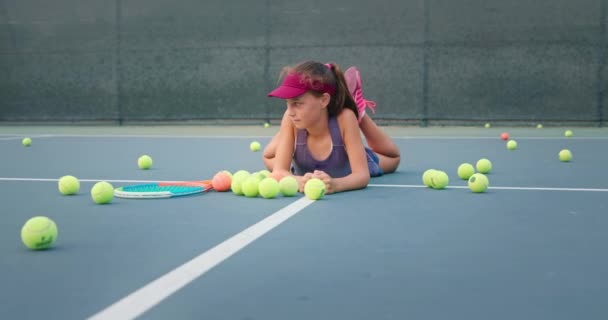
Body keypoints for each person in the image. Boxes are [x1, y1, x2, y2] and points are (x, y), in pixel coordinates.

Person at [263, 60, 400, 194]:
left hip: (346, 160)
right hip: (308, 166)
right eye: (288, 103)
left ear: (324, 100)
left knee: (393, 159)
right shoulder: (289, 117)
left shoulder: (345, 118)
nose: (290, 111)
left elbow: (362, 175)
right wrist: (298, 180)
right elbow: (279, 172)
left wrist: (336, 185)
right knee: (268, 157)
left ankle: (360, 112)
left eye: (297, 103)